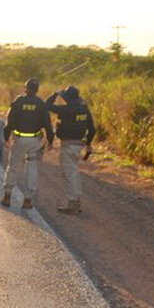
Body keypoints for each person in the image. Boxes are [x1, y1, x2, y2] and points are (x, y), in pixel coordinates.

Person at [2, 79, 54, 209]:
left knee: (13, 167)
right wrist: (50, 141)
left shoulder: (18, 102)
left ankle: (7, 196)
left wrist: (6, 138)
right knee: (32, 169)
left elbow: (9, 122)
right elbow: (48, 125)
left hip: (19, 140)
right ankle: (28, 200)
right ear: (37, 90)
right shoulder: (41, 104)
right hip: (34, 141)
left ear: (25, 88)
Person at [46, 85, 96, 215]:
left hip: (68, 145)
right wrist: (88, 143)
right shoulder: (85, 109)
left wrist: (55, 94)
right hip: (78, 145)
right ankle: (76, 201)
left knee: (69, 174)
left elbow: (47, 105)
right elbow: (92, 129)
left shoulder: (65, 110)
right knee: (73, 172)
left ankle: (73, 203)